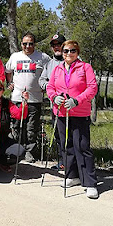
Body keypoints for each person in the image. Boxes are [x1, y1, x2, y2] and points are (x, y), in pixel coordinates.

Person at [46, 40, 99, 199]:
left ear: (77, 52)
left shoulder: (85, 67)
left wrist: (77, 100)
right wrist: (54, 97)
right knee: (66, 146)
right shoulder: (57, 68)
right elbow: (50, 87)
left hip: (80, 112)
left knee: (82, 146)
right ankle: (72, 175)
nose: (69, 54)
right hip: (61, 112)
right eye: (66, 51)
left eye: (72, 51)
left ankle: (90, 182)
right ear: (62, 53)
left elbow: (92, 88)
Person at [5, 31, 51, 162]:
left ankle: (29, 151)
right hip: (17, 99)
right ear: (21, 44)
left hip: (35, 99)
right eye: (25, 44)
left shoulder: (43, 57)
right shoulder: (15, 56)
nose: (27, 46)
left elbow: (53, 70)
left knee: (31, 128)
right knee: (16, 126)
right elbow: (7, 71)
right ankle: (16, 150)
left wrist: (46, 86)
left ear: (34, 44)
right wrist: (10, 83)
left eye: (30, 43)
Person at [39, 34, 66, 170]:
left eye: (59, 44)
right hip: (55, 106)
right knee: (58, 135)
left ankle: (75, 164)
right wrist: (50, 88)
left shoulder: (74, 60)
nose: (57, 47)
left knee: (73, 136)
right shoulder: (49, 64)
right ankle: (62, 162)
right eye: (54, 45)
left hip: (72, 108)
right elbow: (42, 80)